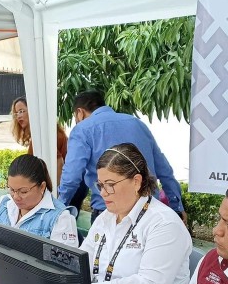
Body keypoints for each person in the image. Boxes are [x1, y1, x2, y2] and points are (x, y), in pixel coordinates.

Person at [82, 143, 193, 284]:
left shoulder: (163, 224)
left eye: (111, 185)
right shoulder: (106, 218)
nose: (103, 193)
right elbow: (81, 260)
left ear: (136, 181)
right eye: (101, 184)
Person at [58, 90, 185, 224]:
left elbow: (71, 177)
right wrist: (177, 208)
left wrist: (59, 207)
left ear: (80, 112)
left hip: (109, 213)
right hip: (147, 212)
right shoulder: (138, 124)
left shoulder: (82, 130)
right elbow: (164, 171)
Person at [10, 96, 69, 184]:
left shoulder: (45, 134)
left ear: (33, 111)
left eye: (22, 111)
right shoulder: (41, 133)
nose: (18, 116)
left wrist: (53, 193)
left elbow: (59, 162)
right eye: (16, 113)